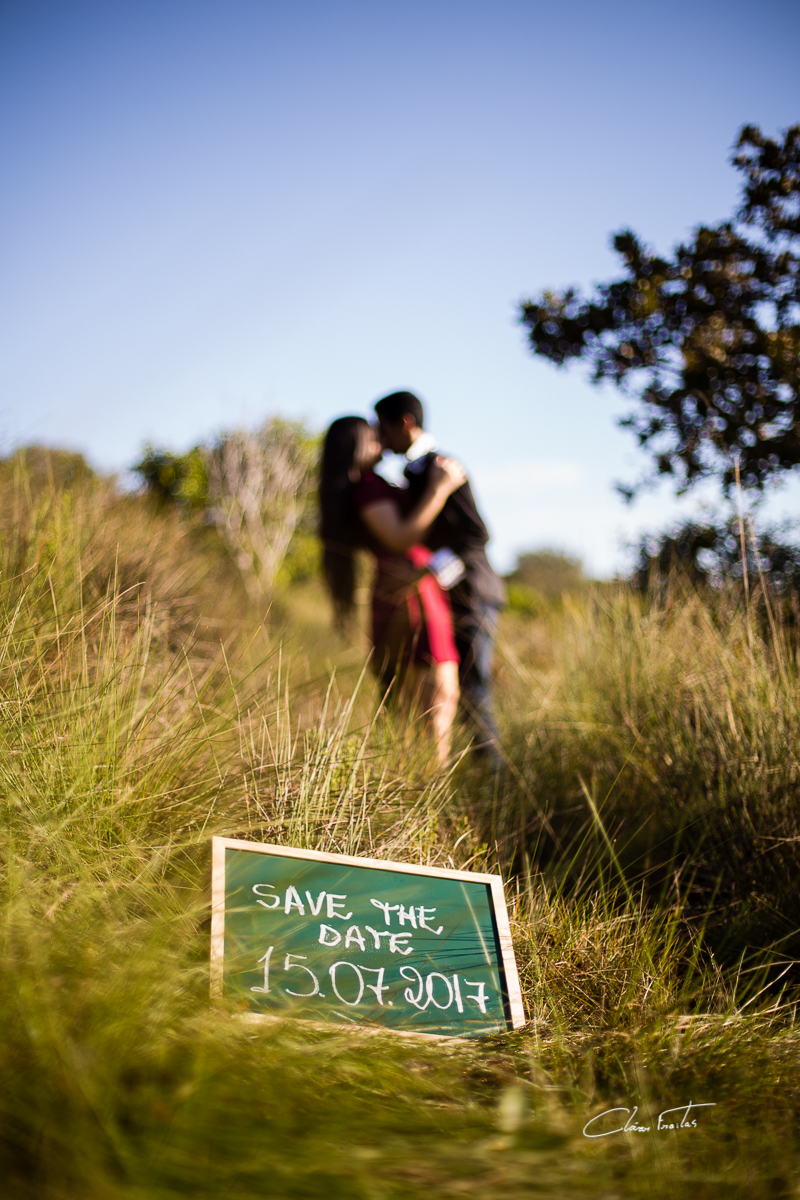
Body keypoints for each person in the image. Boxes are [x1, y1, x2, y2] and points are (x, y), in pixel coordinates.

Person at [319, 416, 466, 765]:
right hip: (411, 600)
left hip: (410, 592)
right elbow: (399, 537)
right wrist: (440, 488)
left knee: (416, 708)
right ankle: (431, 799)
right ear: (356, 448)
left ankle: (412, 792)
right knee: (437, 702)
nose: (381, 443)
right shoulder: (367, 488)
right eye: (373, 439)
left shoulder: (368, 486)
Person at [374, 391, 505, 762]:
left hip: (475, 591)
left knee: (473, 686)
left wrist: (431, 570)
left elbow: (478, 534)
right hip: (449, 595)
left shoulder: (443, 466)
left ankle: (494, 782)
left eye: (383, 428)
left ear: (404, 423)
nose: (380, 439)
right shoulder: (415, 473)